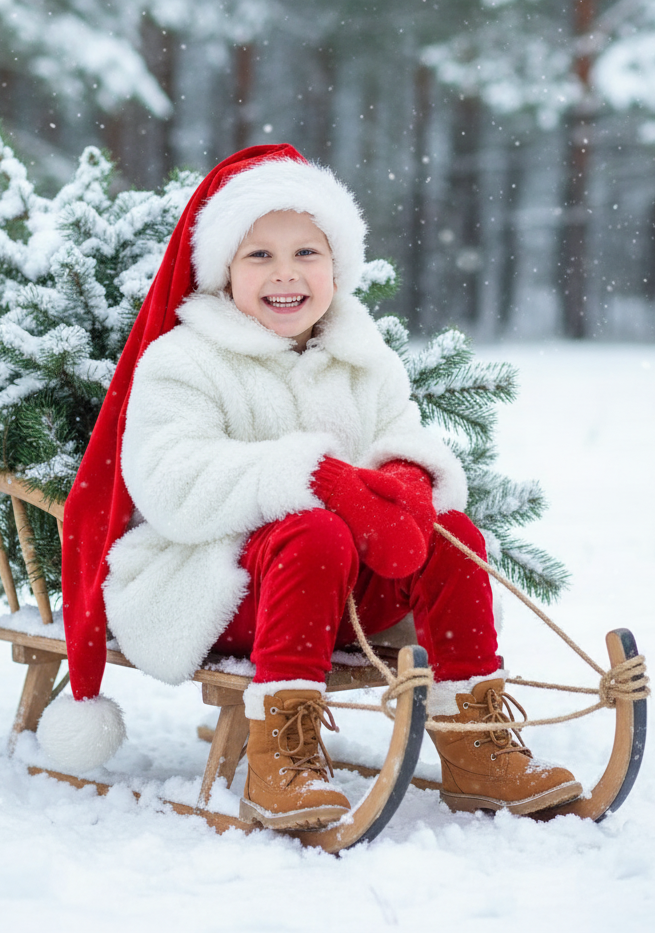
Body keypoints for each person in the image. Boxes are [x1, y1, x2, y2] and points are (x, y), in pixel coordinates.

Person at [37, 146, 581, 829]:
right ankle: (282, 756)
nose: (285, 274)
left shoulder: (362, 354)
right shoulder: (184, 359)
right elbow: (172, 479)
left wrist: (406, 482)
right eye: (257, 255)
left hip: (338, 591)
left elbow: (401, 431)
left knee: (454, 534)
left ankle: (476, 742)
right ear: (222, 271)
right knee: (314, 529)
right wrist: (317, 478)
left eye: (307, 253)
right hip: (216, 589)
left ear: (338, 266)